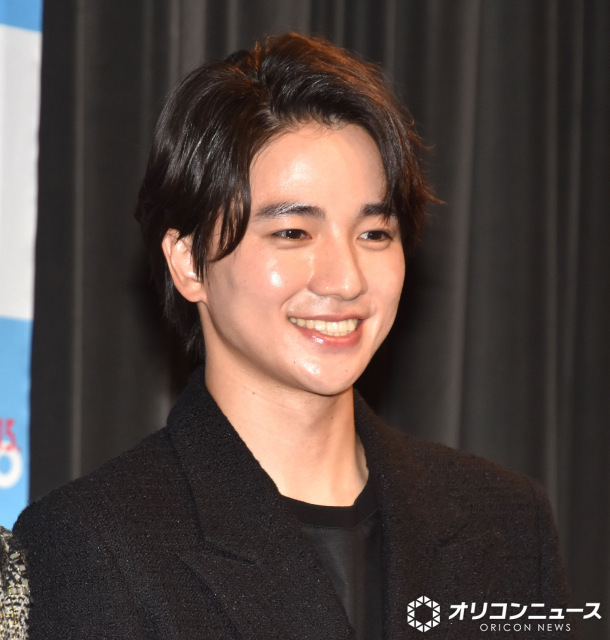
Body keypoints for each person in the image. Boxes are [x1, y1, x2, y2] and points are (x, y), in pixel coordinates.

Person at [15, 33, 574, 639]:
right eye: (292, 234)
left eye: (374, 234)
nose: (345, 280)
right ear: (189, 263)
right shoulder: (93, 545)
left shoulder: (506, 523)